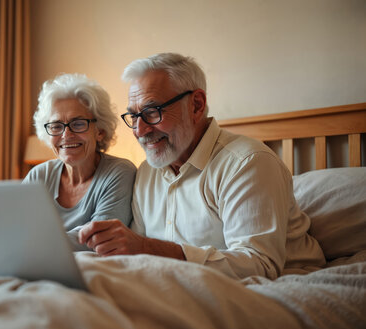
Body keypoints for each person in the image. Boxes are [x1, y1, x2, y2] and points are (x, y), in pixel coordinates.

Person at [78, 53, 326, 279]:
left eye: (152, 112)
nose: (140, 130)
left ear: (196, 104)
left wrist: (146, 248)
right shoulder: (146, 172)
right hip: (181, 288)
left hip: (287, 284)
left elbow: (259, 265)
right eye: (134, 116)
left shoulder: (248, 163)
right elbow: (137, 253)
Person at [24, 73, 136, 251]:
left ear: (100, 131)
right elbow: (17, 230)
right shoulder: (39, 176)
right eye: (56, 126)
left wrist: (33, 243)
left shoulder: (119, 172)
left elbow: (100, 239)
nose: (66, 135)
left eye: (78, 124)